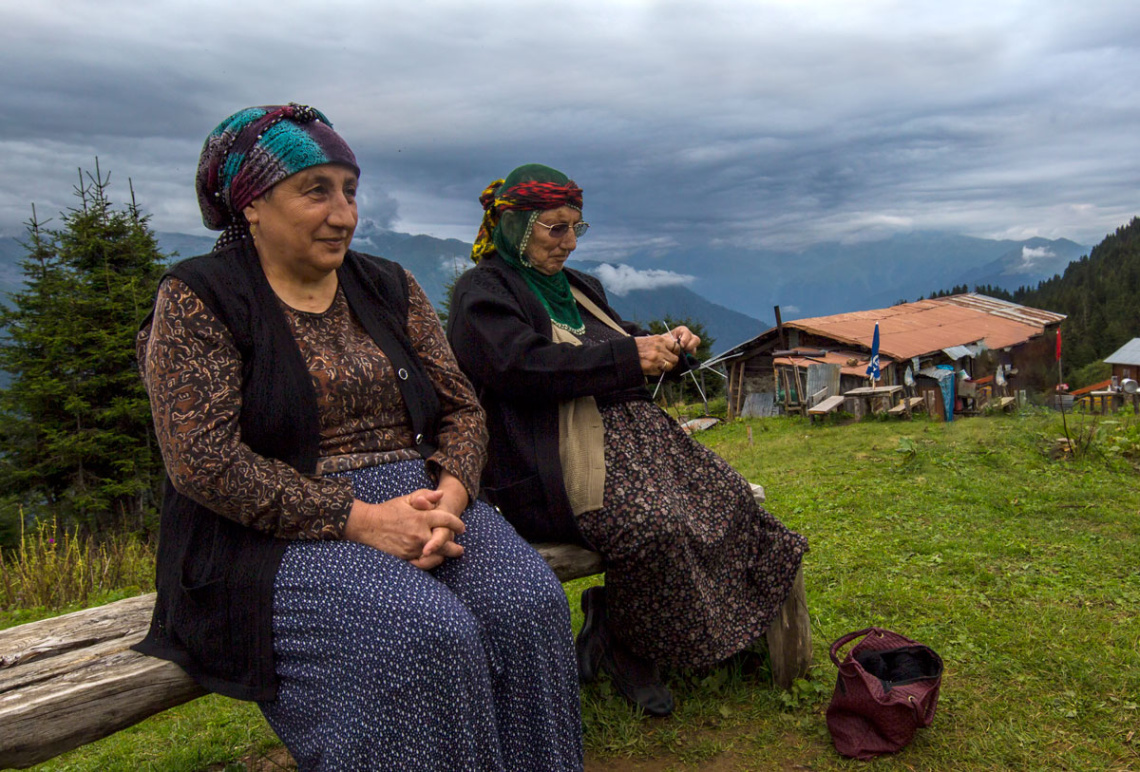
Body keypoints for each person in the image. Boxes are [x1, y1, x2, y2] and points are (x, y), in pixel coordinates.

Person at [134, 108, 582, 771]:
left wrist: (451, 499)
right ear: (251, 204)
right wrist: (362, 520)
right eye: (316, 190)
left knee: (529, 603)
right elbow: (203, 463)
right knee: (421, 633)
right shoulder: (200, 298)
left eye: (350, 189)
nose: (343, 213)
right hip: (272, 536)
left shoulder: (387, 285)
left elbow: (462, 409)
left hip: (427, 505)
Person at [446, 164, 808, 717]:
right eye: (555, 228)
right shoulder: (483, 293)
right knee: (656, 525)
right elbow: (519, 367)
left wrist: (663, 343)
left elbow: (614, 344)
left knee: (728, 499)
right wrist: (629, 357)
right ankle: (628, 647)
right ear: (515, 226)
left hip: (641, 448)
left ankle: (634, 624)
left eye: (576, 227)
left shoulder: (579, 287)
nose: (568, 241)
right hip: (559, 466)